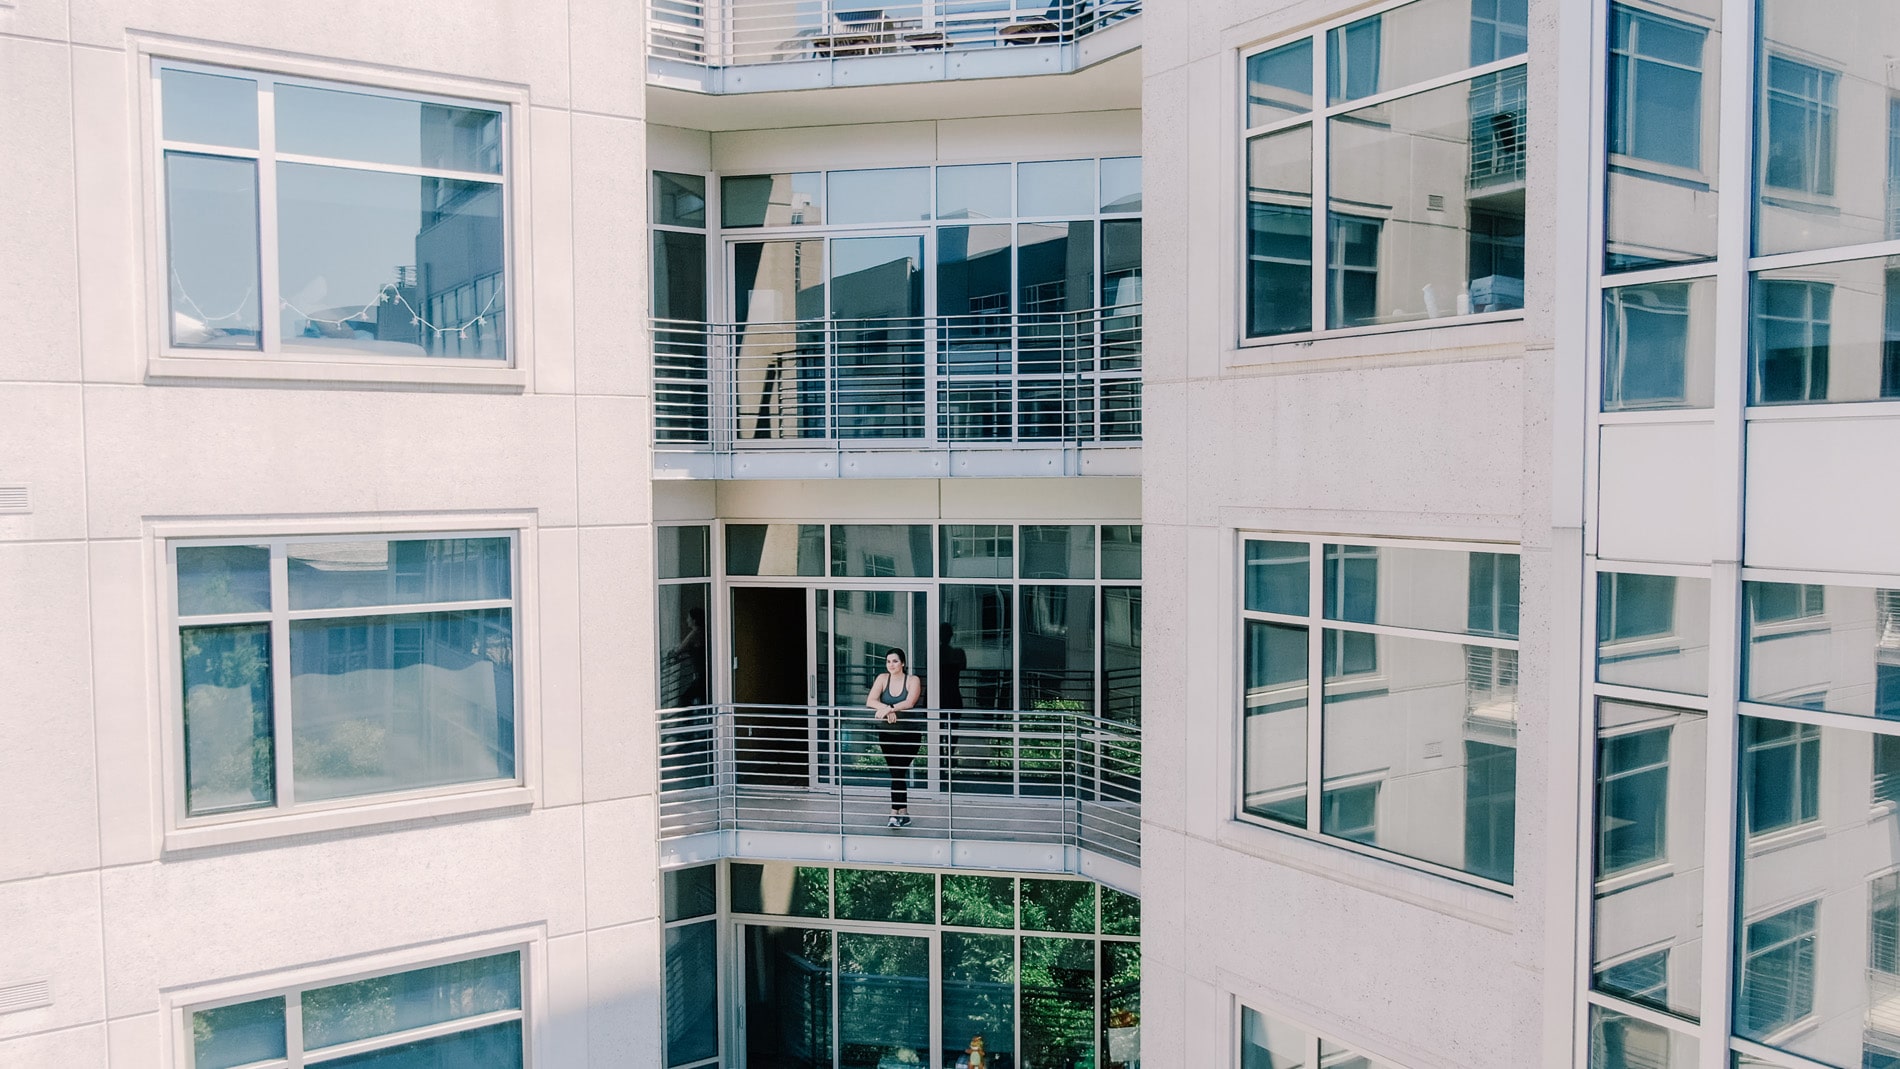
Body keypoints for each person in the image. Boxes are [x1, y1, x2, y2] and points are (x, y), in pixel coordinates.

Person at [866, 647, 923, 828]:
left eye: (895, 661)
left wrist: (890, 709)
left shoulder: (913, 680)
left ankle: (893, 813)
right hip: (887, 734)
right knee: (896, 772)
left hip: (909, 734)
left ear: (903, 663)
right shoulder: (883, 679)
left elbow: (909, 702)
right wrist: (885, 708)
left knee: (898, 771)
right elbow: (870, 701)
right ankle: (903, 814)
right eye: (888, 661)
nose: (891, 664)